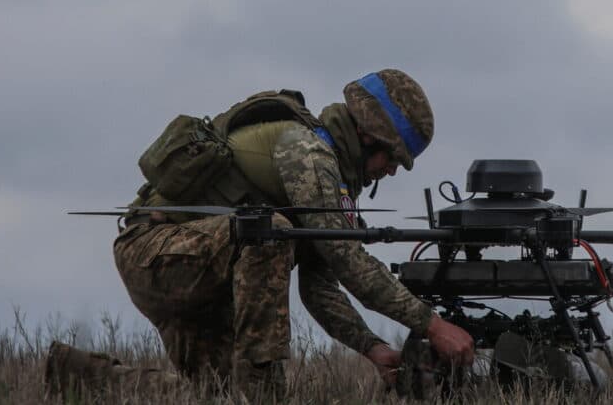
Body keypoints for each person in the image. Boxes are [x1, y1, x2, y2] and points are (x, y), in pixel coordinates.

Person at [46, 69, 475, 399]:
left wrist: (374, 349)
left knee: (214, 398)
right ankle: (266, 395)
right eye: (392, 156)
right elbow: (348, 260)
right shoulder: (306, 153)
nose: (391, 170)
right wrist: (431, 323)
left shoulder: (333, 180)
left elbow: (321, 286)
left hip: (201, 268)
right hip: (157, 255)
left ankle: (74, 376)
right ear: (368, 134)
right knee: (270, 232)